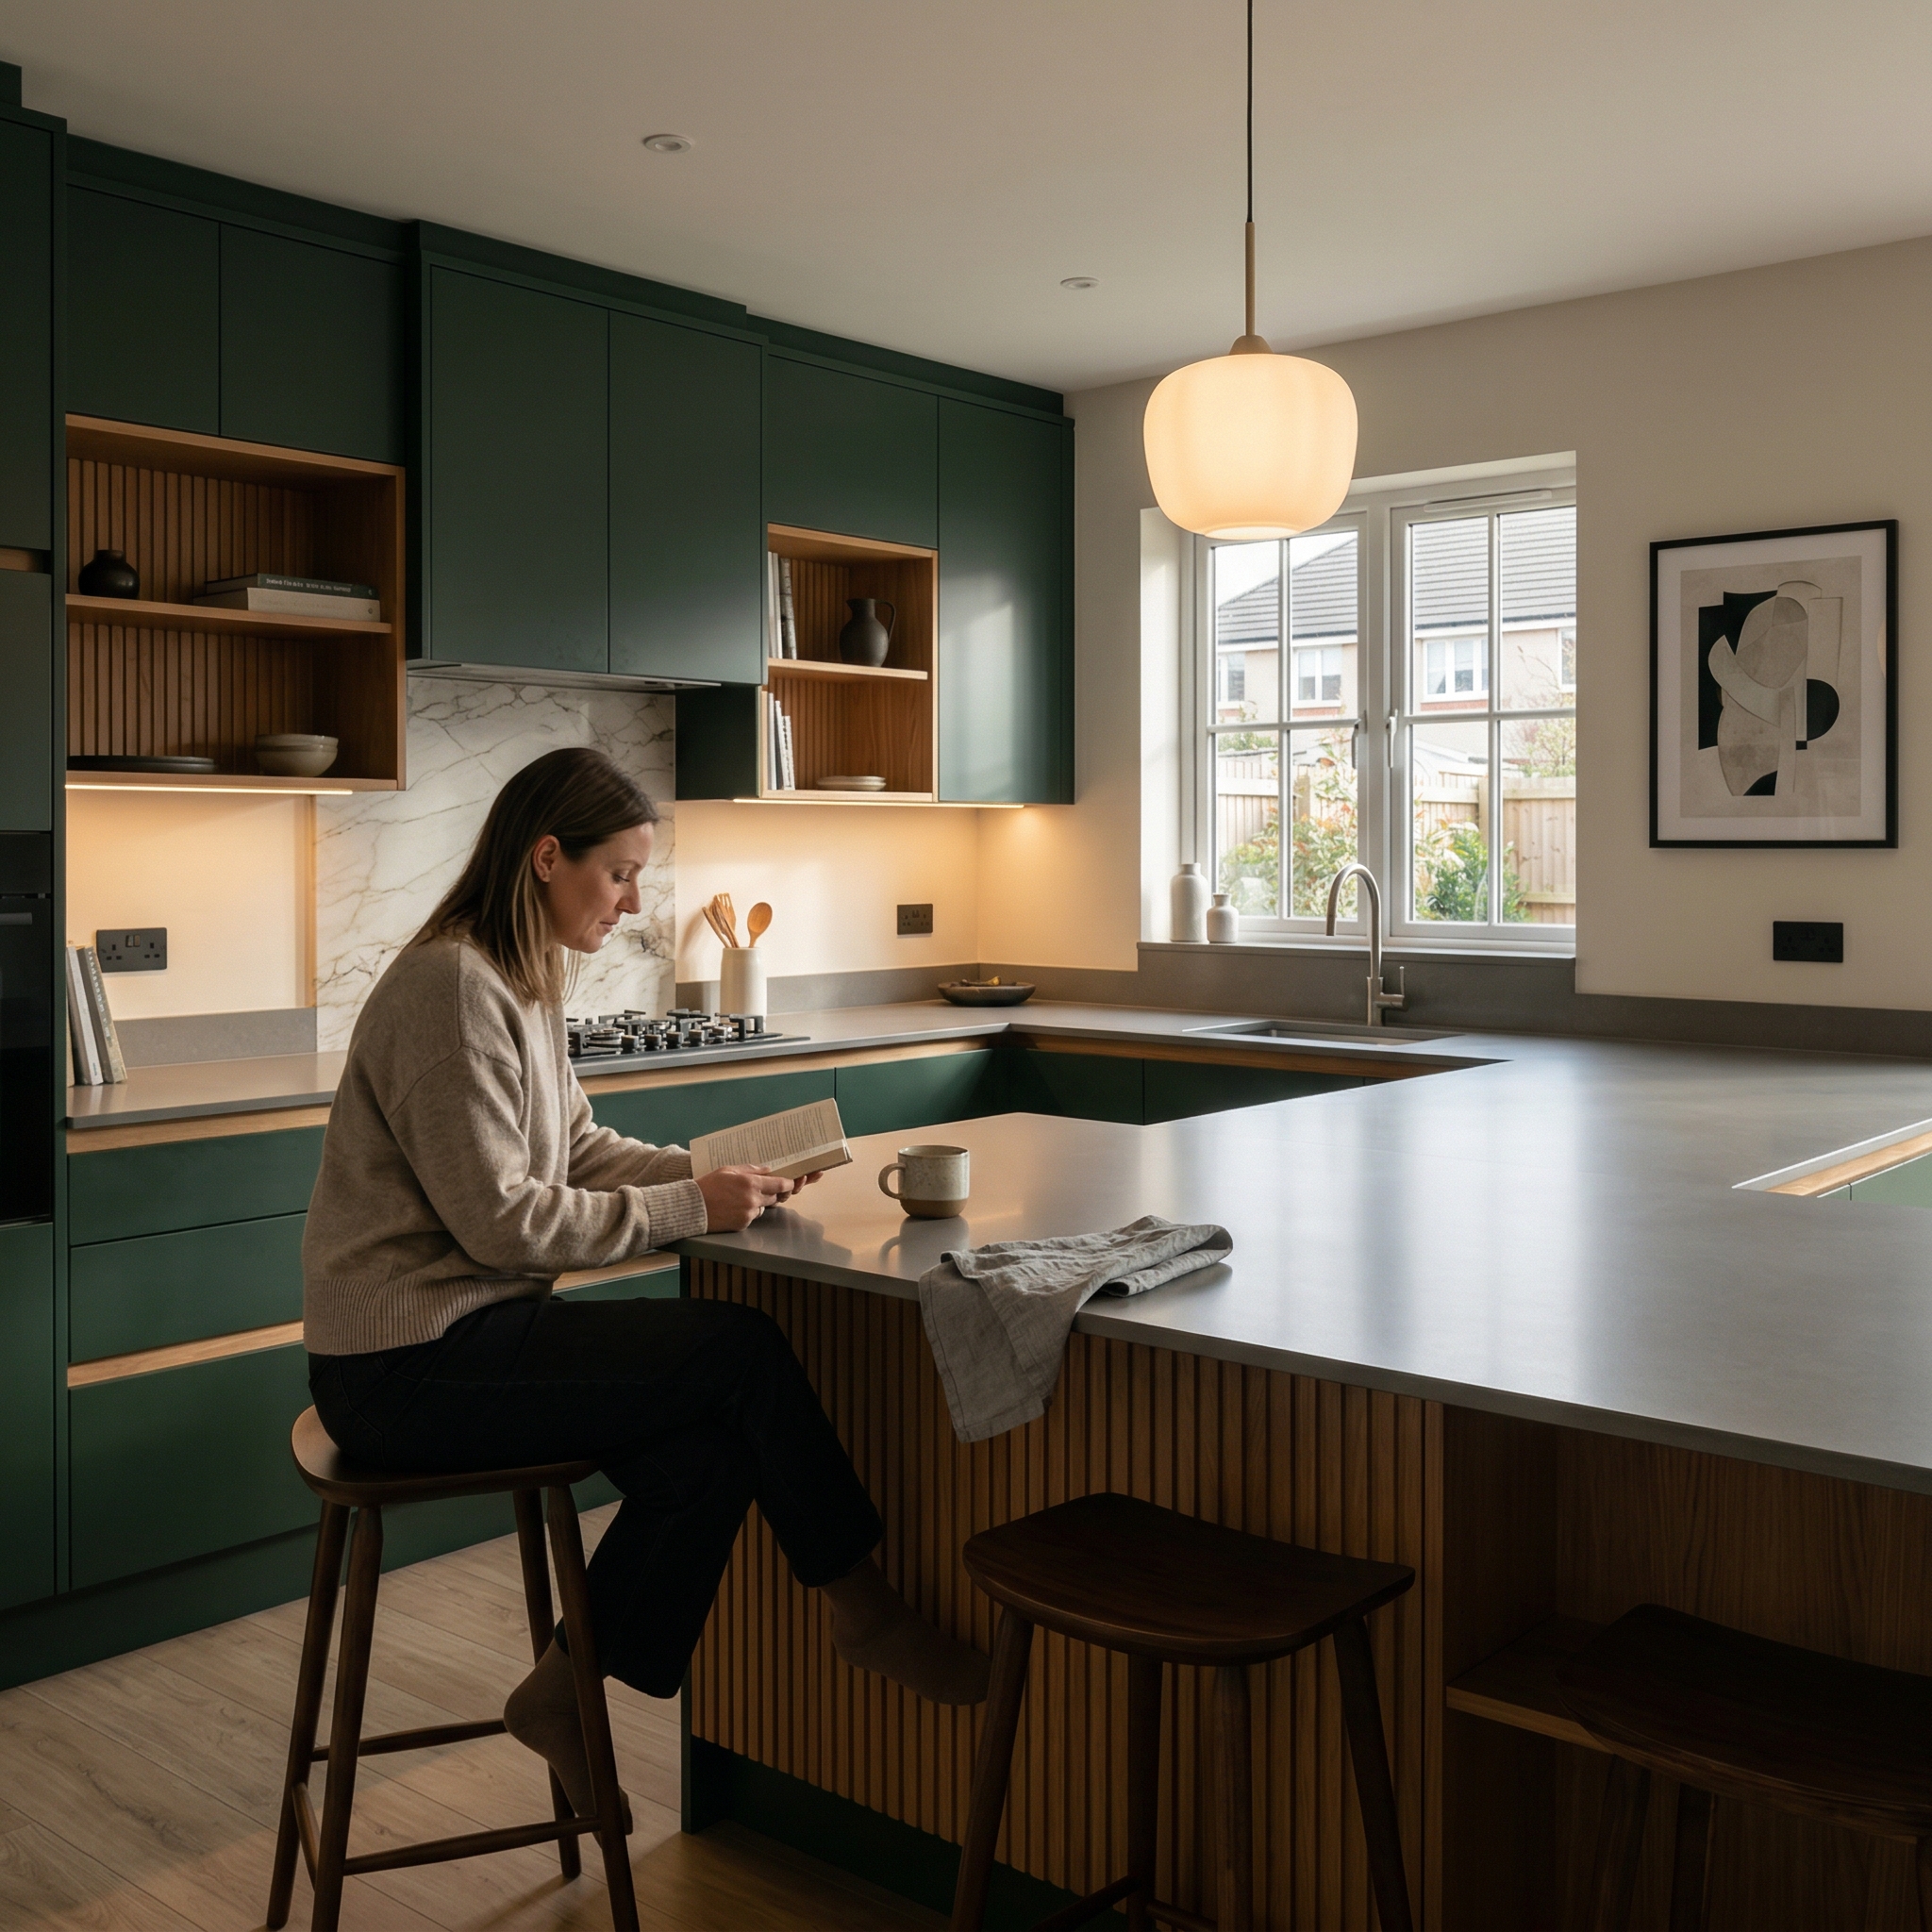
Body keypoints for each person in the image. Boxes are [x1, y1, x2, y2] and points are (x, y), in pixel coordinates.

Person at [302, 746, 987, 1812]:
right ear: (547, 858)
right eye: (618, 874)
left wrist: (716, 1173)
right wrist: (692, 1207)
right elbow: (502, 1223)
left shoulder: (518, 975)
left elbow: (574, 1150)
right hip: (403, 1366)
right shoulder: (451, 989)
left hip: (468, 1338)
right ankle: (867, 1610)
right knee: (739, 1348)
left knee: (705, 1462)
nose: (630, 902)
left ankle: (561, 1695)